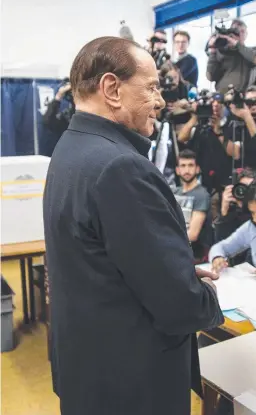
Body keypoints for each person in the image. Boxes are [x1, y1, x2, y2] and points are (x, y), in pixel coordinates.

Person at [43, 36, 224, 415]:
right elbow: (179, 306)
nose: (160, 101)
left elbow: (100, 256)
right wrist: (202, 292)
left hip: (88, 370)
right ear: (112, 88)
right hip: (131, 386)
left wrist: (171, 268)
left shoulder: (71, 147)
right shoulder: (121, 167)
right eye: (152, 87)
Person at [173, 149, 212, 263]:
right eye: (183, 166)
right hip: (174, 250)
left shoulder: (201, 195)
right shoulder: (174, 192)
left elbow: (193, 234)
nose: (187, 170)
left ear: (197, 169)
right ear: (177, 170)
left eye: (190, 165)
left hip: (193, 255)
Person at [206, 19, 256, 93]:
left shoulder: (253, 50)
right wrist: (213, 51)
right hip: (223, 95)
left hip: (244, 97)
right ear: (230, 33)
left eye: (242, 31)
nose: (239, 34)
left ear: (246, 34)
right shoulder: (222, 52)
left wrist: (237, 44)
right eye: (236, 31)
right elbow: (211, 77)